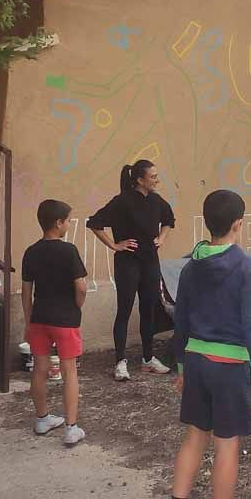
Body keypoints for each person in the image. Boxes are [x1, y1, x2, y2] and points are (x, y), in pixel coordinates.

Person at [162, 190, 251, 499]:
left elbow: (180, 319)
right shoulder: (249, 267)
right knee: (226, 444)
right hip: (230, 366)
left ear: (206, 222)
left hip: (195, 360)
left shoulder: (192, 267)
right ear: (238, 224)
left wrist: (181, 365)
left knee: (195, 436)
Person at [88, 159, 176, 381]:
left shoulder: (157, 201)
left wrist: (161, 238)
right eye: (153, 176)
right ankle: (120, 362)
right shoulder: (122, 202)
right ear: (140, 180)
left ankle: (148, 359)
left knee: (148, 310)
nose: (157, 180)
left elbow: (169, 220)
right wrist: (114, 245)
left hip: (150, 262)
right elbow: (95, 223)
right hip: (128, 263)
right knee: (124, 311)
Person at [22, 199, 89, 446]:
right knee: (69, 370)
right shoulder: (68, 251)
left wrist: (29, 321)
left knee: (40, 369)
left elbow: (26, 291)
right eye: (69, 221)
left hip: (40, 318)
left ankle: (41, 419)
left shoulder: (31, 252)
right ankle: (71, 428)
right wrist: (77, 305)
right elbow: (80, 286)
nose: (69, 225)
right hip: (65, 319)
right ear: (58, 223)